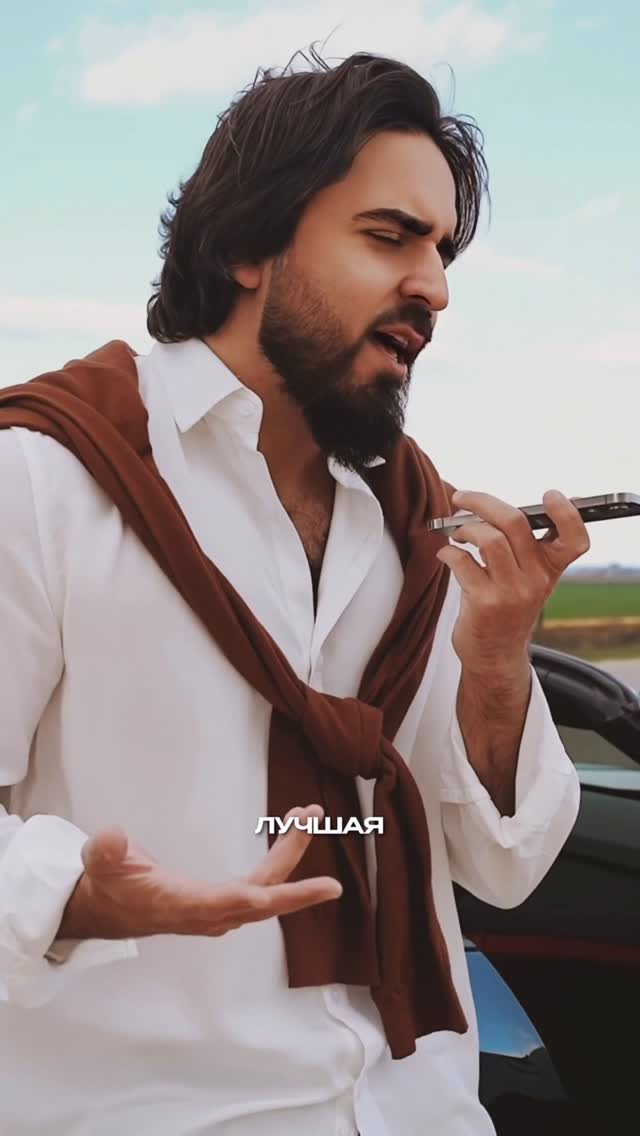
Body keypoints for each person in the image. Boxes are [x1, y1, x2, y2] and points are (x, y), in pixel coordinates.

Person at [0, 50, 589, 1136]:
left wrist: (500, 660)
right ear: (247, 245)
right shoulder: (39, 479)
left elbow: (504, 867)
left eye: (443, 250)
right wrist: (69, 892)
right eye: (389, 235)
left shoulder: (414, 523)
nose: (435, 287)